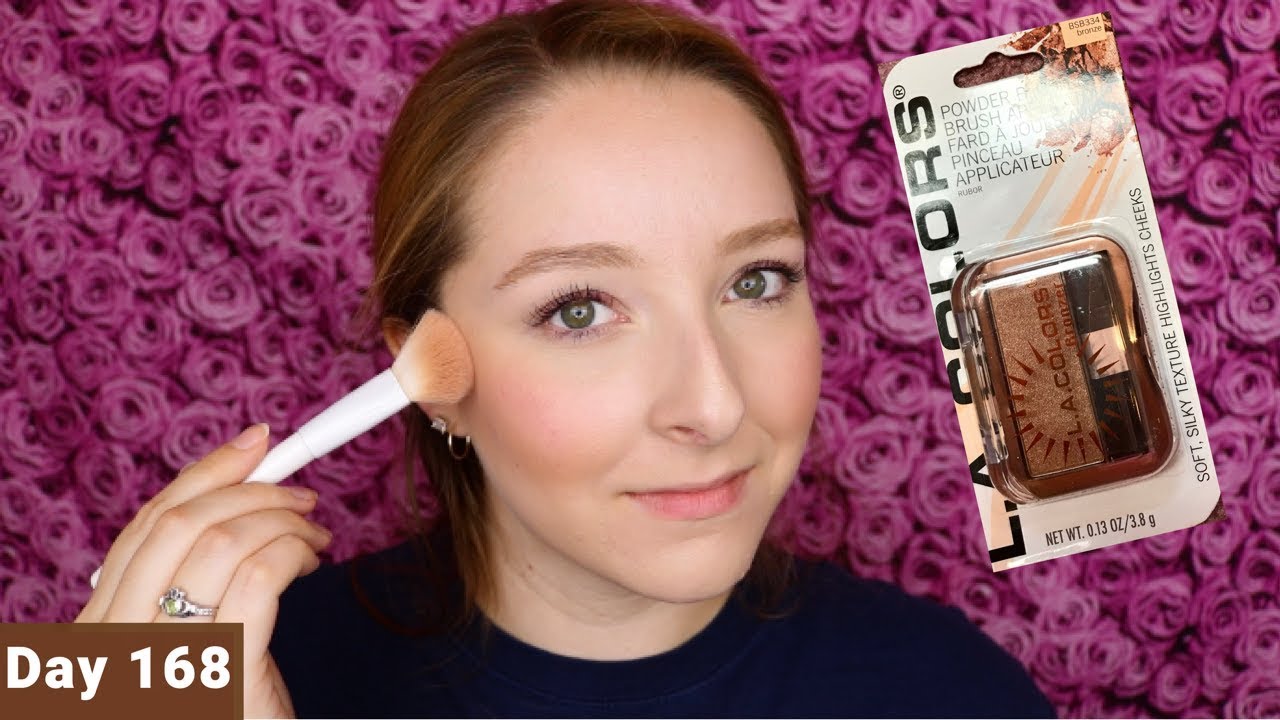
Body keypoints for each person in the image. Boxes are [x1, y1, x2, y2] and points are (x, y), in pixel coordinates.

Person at [78, 0, 1056, 716]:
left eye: (756, 281)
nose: (714, 405)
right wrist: (96, 693)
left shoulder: (952, 691)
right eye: (580, 309)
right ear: (425, 378)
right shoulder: (189, 673)